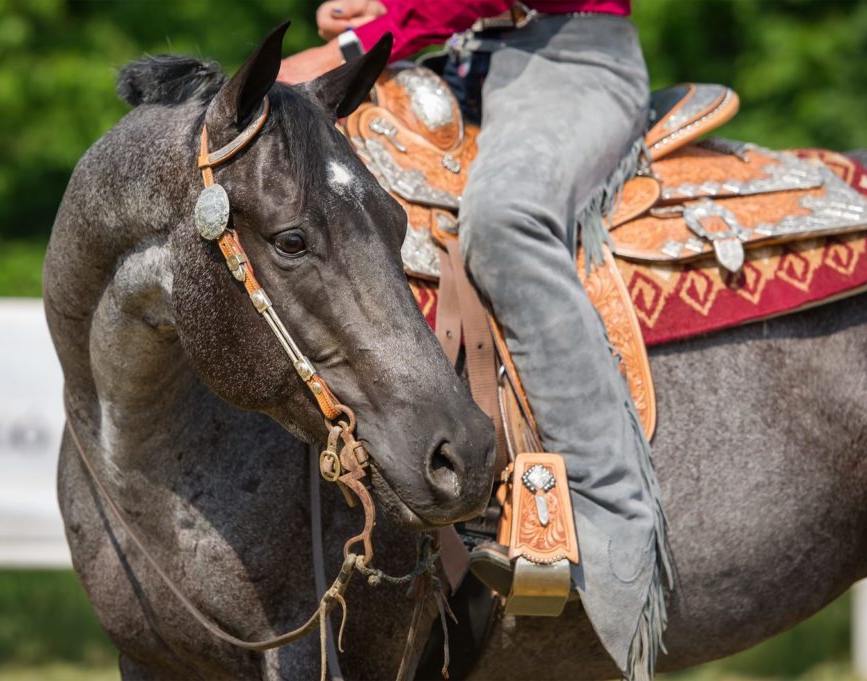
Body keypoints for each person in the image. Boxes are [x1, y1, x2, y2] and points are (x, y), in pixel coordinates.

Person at [279, 2, 672, 678]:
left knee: (503, 221)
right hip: (445, 65)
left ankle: (607, 524)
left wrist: (361, 40)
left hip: (567, 55)